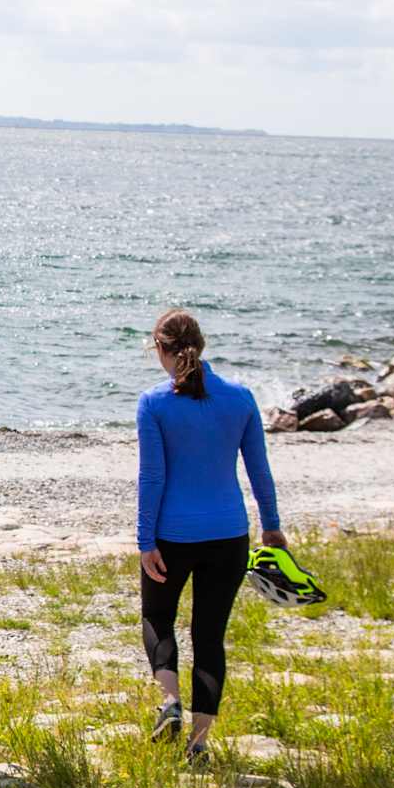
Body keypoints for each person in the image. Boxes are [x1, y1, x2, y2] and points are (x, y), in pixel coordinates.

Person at [135, 307, 284, 761]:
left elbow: (153, 478)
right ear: (201, 345)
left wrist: (146, 541)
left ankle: (169, 701)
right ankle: (198, 744)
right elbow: (259, 471)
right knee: (209, 635)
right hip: (229, 537)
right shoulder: (240, 398)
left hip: (173, 536)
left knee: (158, 619)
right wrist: (272, 528)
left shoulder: (154, 403)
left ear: (161, 350)